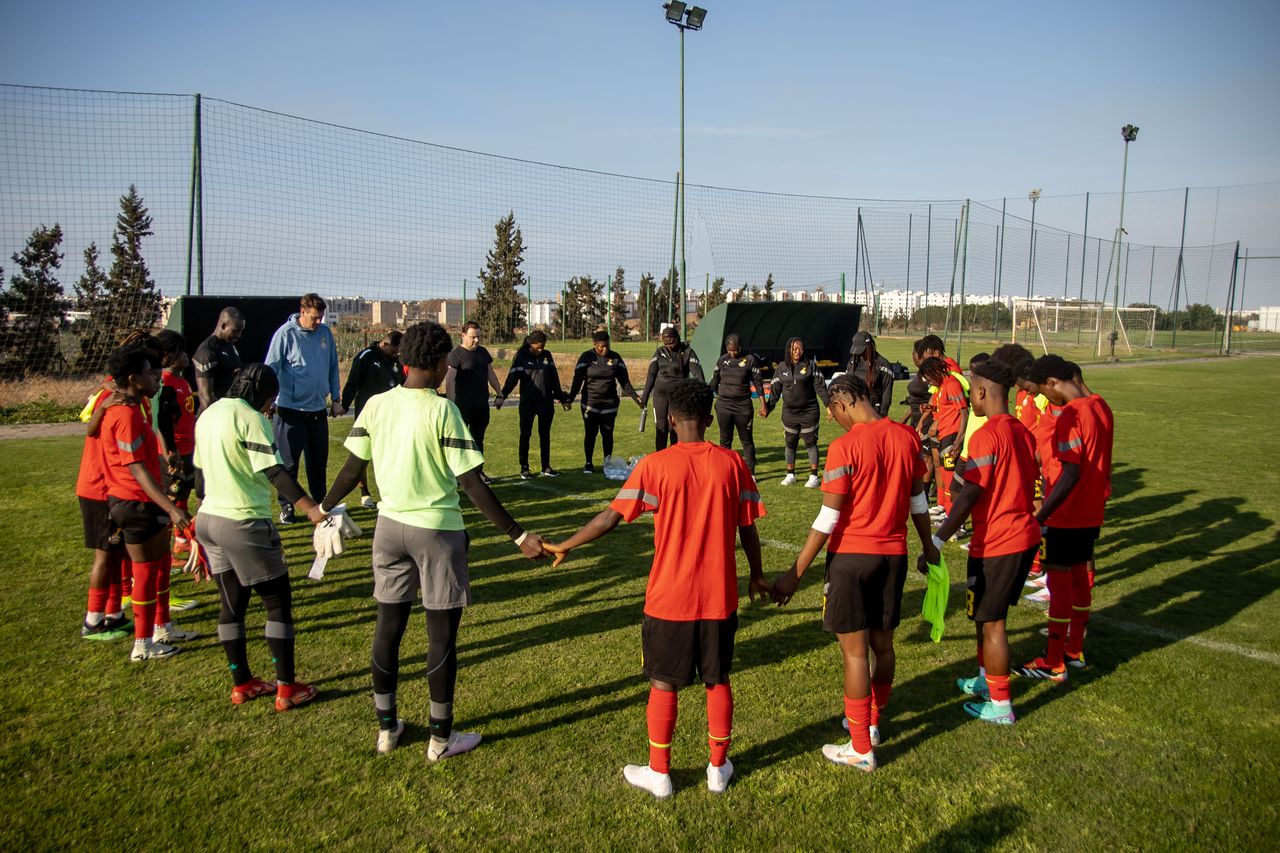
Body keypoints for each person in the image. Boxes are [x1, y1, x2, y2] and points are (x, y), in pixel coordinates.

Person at [321, 321, 550, 758]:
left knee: (387, 629)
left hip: (388, 530)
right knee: (440, 638)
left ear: (404, 358)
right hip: (437, 533)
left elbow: (352, 472)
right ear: (442, 360)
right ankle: (440, 739)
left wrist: (322, 508)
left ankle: (387, 729)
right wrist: (517, 535)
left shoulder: (376, 405)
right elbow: (471, 482)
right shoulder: (443, 410)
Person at [544, 379, 769, 798]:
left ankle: (659, 772)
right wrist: (756, 574)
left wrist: (568, 544)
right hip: (719, 597)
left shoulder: (655, 465)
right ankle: (718, 768)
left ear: (670, 418)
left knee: (663, 683)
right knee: (718, 681)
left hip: (669, 599)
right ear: (708, 418)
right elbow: (748, 527)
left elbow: (611, 516)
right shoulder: (733, 463)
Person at [770, 374, 939, 772]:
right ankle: (873, 724)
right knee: (884, 646)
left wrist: (795, 573)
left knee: (855, 655)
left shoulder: (845, 447)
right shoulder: (905, 436)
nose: (834, 421)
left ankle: (861, 746)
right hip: (893, 555)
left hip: (852, 559)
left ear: (842, 404)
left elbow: (828, 517)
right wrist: (929, 547)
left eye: (833, 413)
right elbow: (918, 500)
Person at [194, 364, 324, 710]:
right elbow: (274, 471)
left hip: (208, 519)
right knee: (277, 603)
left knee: (232, 606)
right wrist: (311, 509)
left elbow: (199, 478)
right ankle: (286, 687)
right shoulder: (251, 418)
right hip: (243, 523)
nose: (270, 406)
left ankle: (242, 682)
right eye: (270, 399)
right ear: (261, 395)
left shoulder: (207, 415)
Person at [930, 355, 1041, 725]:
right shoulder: (1022, 432)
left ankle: (1002, 706)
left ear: (980, 391)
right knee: (983, 616)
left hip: (1000, 541)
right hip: (1019, 537)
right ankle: (984, 681)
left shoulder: (987, 435)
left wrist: (939, 539)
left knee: (993, 623)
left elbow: (971, 493)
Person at [1015, 355, 1113, 682]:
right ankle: (1074, 649)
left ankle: (1053, 661)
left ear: (1053, 383)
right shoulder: (1102, 406)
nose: (1048, 398)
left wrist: (1042, 513)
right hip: (1091, 510)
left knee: (1059, 583)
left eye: (1046, 391)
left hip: (1067, 512)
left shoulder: (1072, 414)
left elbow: (1070, 472)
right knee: (1078, 578)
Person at [99, 346, 195, 662]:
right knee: (145, 571)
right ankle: (142, 643)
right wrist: (170, 507)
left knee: (161, 564)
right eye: (148, 373)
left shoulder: (134, 406)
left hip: (142, 500)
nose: (155, 377)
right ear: (132, 378)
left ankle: (163, 626)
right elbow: (135, 467)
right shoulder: (124, 414)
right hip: (135, 504)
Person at [265, 293, 342, 524]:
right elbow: (271, 368)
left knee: (318, 462)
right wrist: (268, 399)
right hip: (290, 410)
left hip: (317, 410)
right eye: (314, 318)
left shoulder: (325, 334)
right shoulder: (285, 334)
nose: (318, 322)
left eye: (321, 318)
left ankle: (321, 505)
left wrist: (336, 398)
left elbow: (332, 367)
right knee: (288, 464)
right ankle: (287, 506)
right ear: (303, 311)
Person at [76, 382, 131, 641]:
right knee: (105, 555)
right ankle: (93, 619)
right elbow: (90, 429)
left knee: (115, 553)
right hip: (99, 489)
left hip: (111, 488)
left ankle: (114, 613)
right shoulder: (111, 399)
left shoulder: (121, 398)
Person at [341, 330, 403, 508]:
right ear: (384, 344)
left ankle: (391, 491)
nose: (396, 354)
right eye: (394, 351)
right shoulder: (366, 357)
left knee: (391, 454)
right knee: (362, 454)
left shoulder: (397, 360)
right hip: (367, 415)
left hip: (392, 415)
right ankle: (364, 492)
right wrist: (344, 405)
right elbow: (352, 383)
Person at [567, 329, 641, 474]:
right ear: (594, 345)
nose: (604, 349)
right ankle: (588, 463)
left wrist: (636, 397)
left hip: (609, 403)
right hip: (590, 403)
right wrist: (570, 398)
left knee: (607, 433)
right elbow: (577, 380)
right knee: (590, 433)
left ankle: (608, 462)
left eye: (607, 345)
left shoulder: (615, 358)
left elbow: (624, 381)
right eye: (601, 346)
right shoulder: (586, 357)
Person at [498, 329, 569, 479]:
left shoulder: (547, 356)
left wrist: (562, 399)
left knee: (545, 436)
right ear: (531, 344)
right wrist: (502, 396)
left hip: (545, 403)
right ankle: (524, 467)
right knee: (525, 435)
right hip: (528, 403)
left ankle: (546, 467)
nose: (541, 349)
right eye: (538, 347)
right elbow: (512, 380)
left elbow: (554, 380)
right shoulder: (521, 357)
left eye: (543, 346)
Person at [765, 336, 830, 488]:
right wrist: (768, 408)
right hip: (789, 413)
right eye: (794, 349)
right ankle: (790, 475)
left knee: (810, 442)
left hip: (809, 411)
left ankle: (814, 477)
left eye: (800, 348)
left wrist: (829, 406)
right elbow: (775, 391)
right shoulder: (781, 368)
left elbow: (820, 387)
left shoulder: (810, 366)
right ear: (789, 350)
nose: (797, 351)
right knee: (790, 443)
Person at [155, 331, 198, 556]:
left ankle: (180, 541)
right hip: (176, 452)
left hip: (190, 449)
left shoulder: (182, 381)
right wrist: (170, 452)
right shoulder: (165, 384)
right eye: (182, 352)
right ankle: (171, 546)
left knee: (182, 495)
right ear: (170, 355)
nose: (186, 356)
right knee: (171, 498)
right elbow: (163, 423)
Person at [445, 322, 504, 483]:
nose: (476, 340)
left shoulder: (483, 353)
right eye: (473, 337)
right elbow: (449, 380)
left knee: (479, 440)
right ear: (463, 336)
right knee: (460, 442)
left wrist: (499, 394)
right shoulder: (455, 355)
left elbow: (490, 375)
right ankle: (458, 475)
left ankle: (478, 472)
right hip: (462, 406)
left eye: (478, 336)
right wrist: (451, 403)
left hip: (481, 405)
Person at [709, 333, 767, 474]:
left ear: (740, 347)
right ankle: (725, 471)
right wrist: (705, 399)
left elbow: (758, 383)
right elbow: (714, 381)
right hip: (723, 406)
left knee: (746, 440)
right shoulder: (722, 360)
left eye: (735, 350)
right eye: (730, 350)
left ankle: (750, 473)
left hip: (743, 406)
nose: (732, 353)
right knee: (725, 441)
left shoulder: (749, 360)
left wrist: (763, 405)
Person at [640, 327, 705, 451]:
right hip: (660, 395)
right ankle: (661, 456)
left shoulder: (687, 352)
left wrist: (703, 396)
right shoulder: (659, 352)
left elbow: (698, 375)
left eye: (671, 342)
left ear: (677, 338)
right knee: (661, 427)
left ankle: (676, 455)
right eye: (666, 343)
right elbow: (651, 375)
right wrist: (645, 397)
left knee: (674, 427)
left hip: (678, 396)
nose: (669, 346)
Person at [920, 356, 968, 514]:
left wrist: (958, 441)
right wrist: (930, 408)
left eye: (928, 378)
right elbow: (945, 410)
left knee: (950, 477)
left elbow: (963, 412)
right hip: (944, 434)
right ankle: (947, 511)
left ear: (935, 372)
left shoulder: (952, 385)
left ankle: (954, 516)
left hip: (952, 435)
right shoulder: (941, 386)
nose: (929, 382)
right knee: (944, 474)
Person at [193, 307, 245, 412]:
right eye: (235, 331)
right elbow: (205, 396)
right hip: (215, 417)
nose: (239, 335)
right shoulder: (207, 351)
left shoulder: (229, 345)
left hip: (229, 411)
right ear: (223, 325)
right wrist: (216, 421)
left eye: (241, 331)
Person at [846, 330, 895, 417]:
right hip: (855, 411)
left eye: (862, 351)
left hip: (874, 412)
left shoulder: (883, 365)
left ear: (869, 347)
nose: (860, 355)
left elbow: (887, 394)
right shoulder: (853, 362)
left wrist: (882, 414)